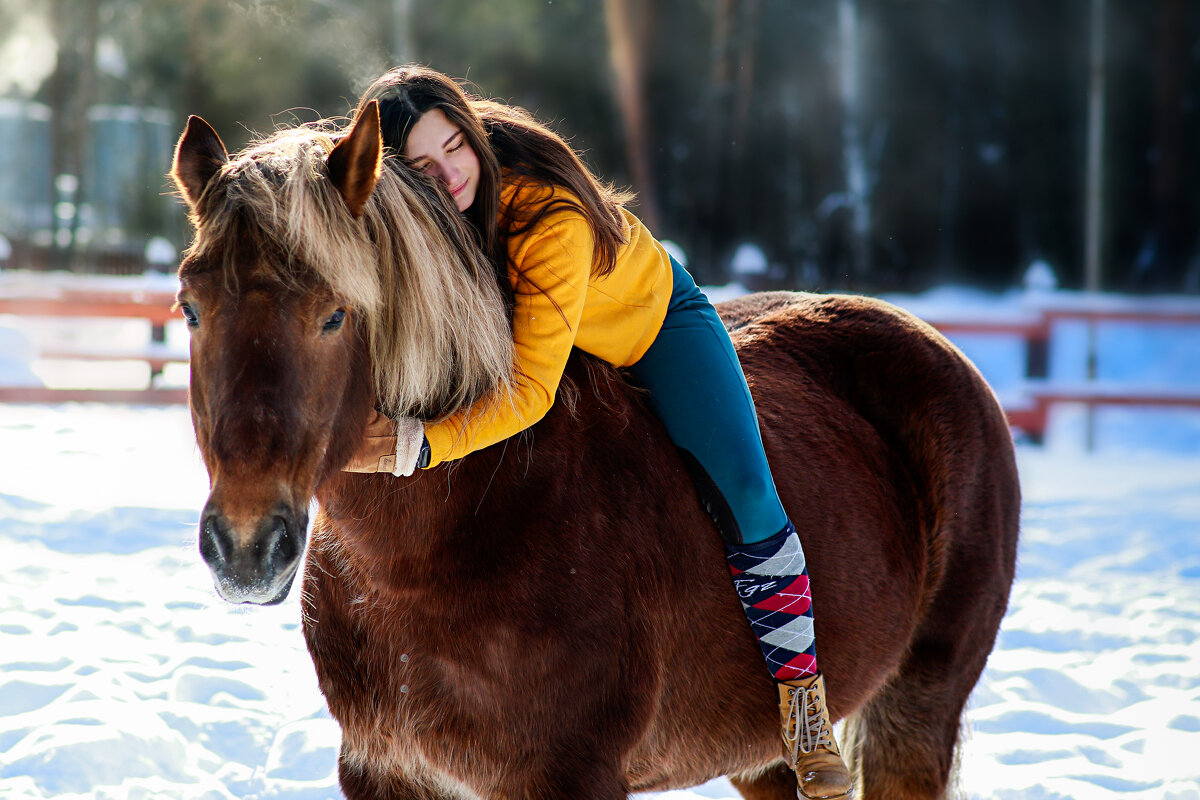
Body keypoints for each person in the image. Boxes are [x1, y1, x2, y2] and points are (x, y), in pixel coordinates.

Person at [343, 65, 852, 800]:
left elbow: (527, 390)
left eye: (456, 145)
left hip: (650, 326)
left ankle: (804, 708)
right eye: (421, 164)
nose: (449, 172)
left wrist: (415, 443)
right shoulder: (411, 210)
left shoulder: (547, 216)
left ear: (472, 132)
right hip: (545, 330)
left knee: (746, 490)